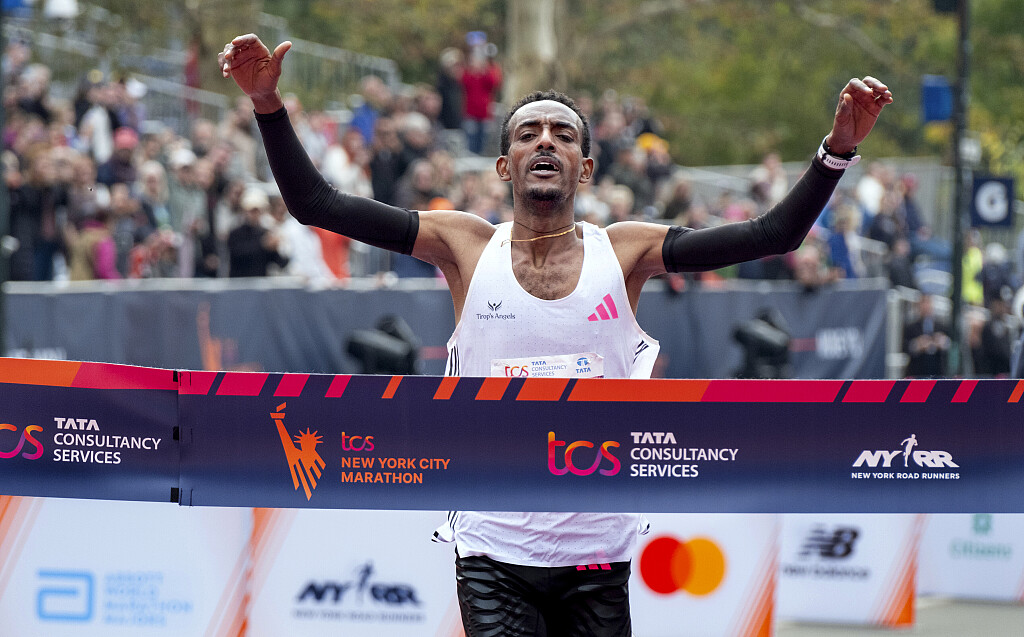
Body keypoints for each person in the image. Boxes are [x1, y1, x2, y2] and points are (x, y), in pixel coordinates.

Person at [220, 33, 892, 636]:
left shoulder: (625, 251)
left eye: (564, 135)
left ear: (586, 167)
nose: (546, 141)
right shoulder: (464, 244)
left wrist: (836, 151)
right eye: (529, 133)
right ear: (504, 165)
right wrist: (268, 107)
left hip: (597, 550)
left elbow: (772, 234)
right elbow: (316, 204)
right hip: (493, 549)